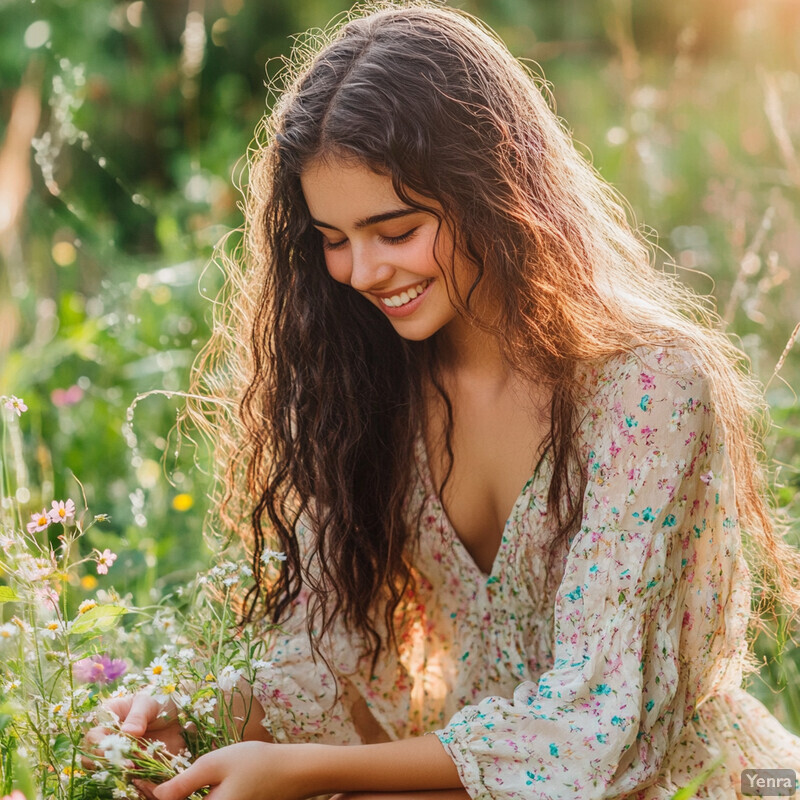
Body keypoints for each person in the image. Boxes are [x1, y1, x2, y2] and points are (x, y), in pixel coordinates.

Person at [93, 2, 800, 798]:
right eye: (333, 239)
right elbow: (315, 652)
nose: (360, 271)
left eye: (394, 230)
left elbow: (600, 725)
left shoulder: (652, 389)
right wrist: (191, 715)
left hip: (691, 781)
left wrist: (311, 771)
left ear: (494, 190)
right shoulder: (371, 390)